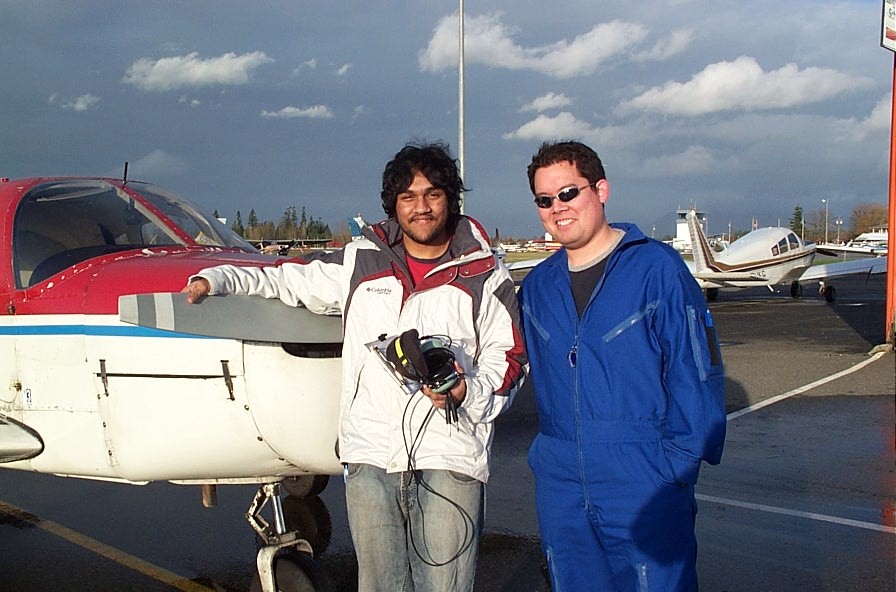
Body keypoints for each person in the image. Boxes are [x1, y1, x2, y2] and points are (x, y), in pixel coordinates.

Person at [184, 141, 527, 591]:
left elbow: (512, 364)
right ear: (393, 205)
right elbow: (286, 277)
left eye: (432, 194)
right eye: (408, 196)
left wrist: (466, 392)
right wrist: (220, 278)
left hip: (449, 460)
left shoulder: (485, 275)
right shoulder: (361, 262)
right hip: (370, 462)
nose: (420, 207)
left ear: (451, 199)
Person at [518, 140, 725, 591]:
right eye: (545, 200)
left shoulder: (657, 269)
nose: (558, 208)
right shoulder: (536, 288)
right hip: (561, 481)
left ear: (601, 190)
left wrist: (676, 465)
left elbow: (697, 373)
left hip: (643, 476)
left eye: (569, 193)